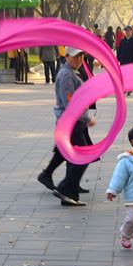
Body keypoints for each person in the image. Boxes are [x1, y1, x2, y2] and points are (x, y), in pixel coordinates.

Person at [45, 47, 96, 206]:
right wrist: (86, 118)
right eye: (75, 56)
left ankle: (71, 193)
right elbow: (70, 103)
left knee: (75, 156)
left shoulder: (72, 72)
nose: (79, 59)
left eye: (81, 56)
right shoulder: (67, 75)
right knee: (83, 156)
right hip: (71, 122)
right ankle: (65, 189)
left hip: (74, 122)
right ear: (66, 56)